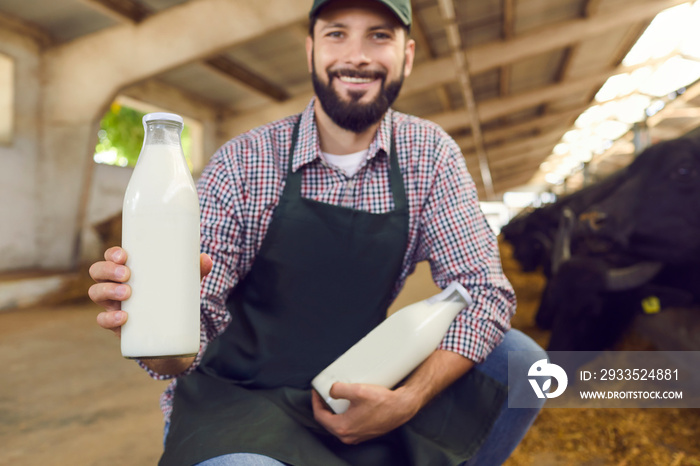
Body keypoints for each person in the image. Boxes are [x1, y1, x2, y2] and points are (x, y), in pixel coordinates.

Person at [89, 0, 546, 464]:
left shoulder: (428, 155)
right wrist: (153, 322)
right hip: (239, 400)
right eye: (336, 34)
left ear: (407, 55)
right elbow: (190, 326)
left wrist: (410, 397)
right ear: (311, 50)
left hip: (356, 382)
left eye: (380, 35)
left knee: (520, 363)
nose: (357, 55)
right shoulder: (245, 161)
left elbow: (484, 291)